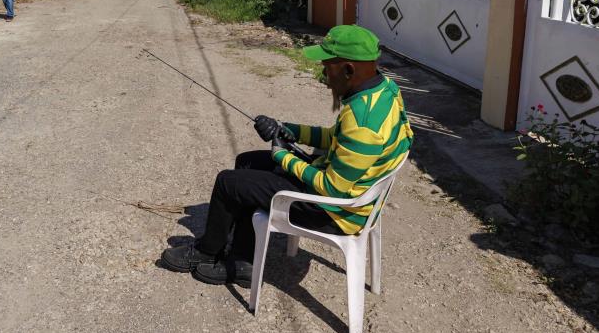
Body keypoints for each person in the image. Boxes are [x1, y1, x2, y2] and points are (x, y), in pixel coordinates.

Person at [160, 25, 414, 288]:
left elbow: (332, 188)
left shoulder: (363, 123)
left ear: (348, 70)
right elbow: (335, 138)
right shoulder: (384, 91)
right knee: (247, 162)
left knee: (228, 182)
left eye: (327, 67)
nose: (323, 75)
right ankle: (243, 261)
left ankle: (206, 252)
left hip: (333, 211)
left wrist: (282, 156)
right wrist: (287, 129)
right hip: (348, 195)